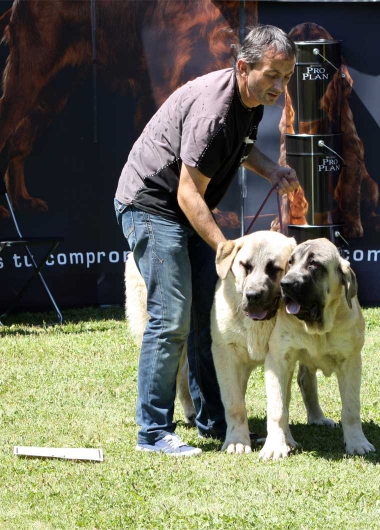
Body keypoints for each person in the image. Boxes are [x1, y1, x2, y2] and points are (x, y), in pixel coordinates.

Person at [114, 25, 300, 456]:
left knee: (208, 317)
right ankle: (152, 432)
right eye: (273, 75)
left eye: (287, 77)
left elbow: (242, 147)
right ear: (243, 67)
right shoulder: (216, 111)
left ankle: (215, 422)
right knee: (172, 314)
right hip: (150, 204)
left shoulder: (251, 101)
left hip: (181, 205)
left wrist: (272, 170)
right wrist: (225, 248)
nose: (281, 86)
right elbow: (186, 192)